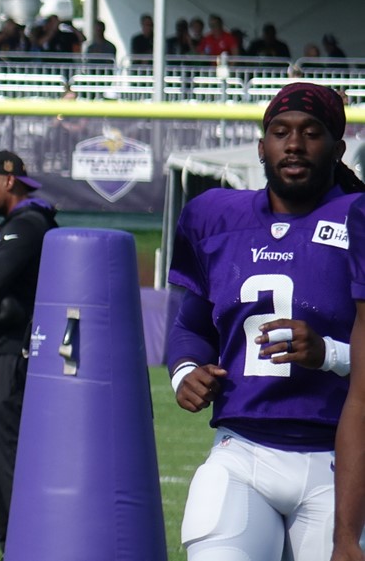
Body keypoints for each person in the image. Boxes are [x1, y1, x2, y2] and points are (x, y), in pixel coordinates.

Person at [167, 82, 364, 561]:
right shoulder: (214, 216)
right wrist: (185, 370)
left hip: (336, 459)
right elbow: (191, 324)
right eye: (280, 131)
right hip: (242, 451)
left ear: (338, 148)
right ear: (262, 145)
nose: (294, 144)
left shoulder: (357, 218)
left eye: (311, 132)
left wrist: (330, 354)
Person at [0, 150, 57, 555]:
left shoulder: (27, 225)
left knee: (3, 453)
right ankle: (16, 542)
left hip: (9, 353)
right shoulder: (14, 225)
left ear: (7, 181)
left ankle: (21, 543)